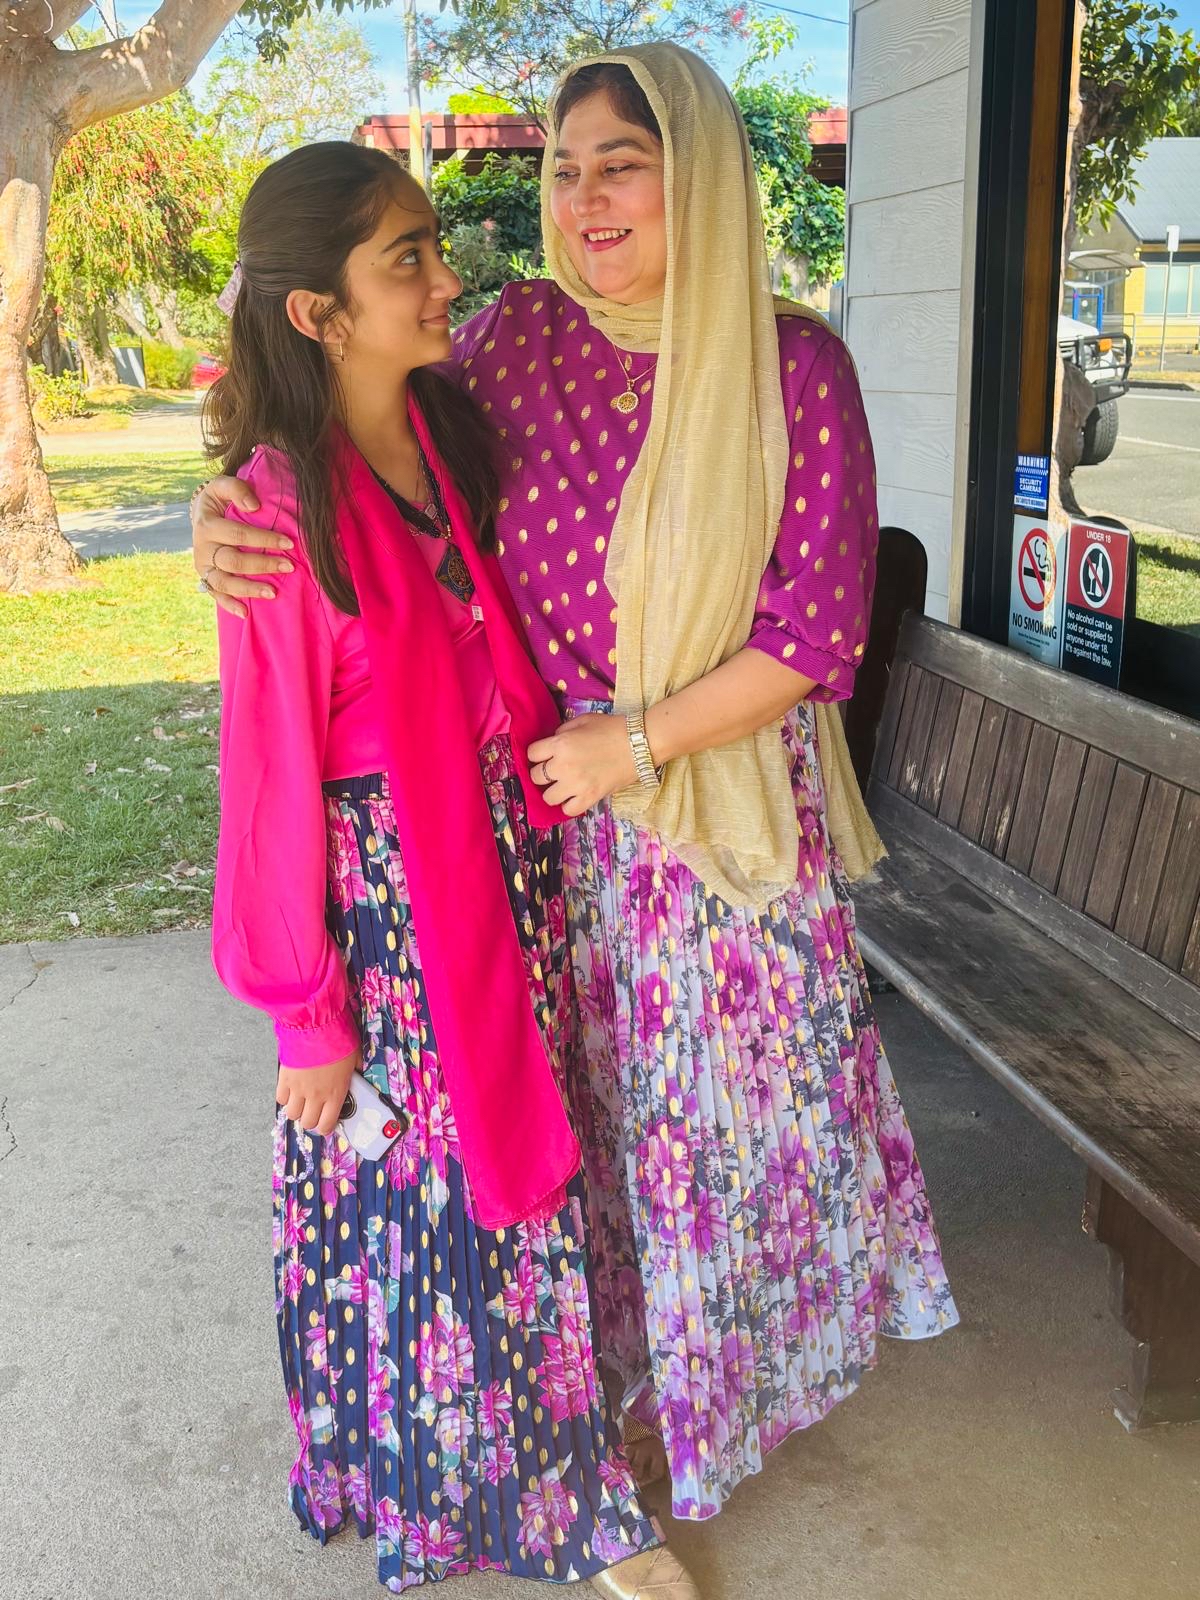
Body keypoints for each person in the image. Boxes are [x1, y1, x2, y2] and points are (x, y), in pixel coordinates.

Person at [194, 47, 958, 1528]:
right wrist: (221, 505)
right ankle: (594, 1403)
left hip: (708, 813)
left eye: (623, 160)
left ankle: (707, 1409)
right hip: (538, 830)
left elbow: (819, 633)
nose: (583, 193)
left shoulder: (792, 362)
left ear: (705, 176)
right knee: (591, 1143)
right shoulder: (510, 341)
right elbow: (348, 432)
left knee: (709, 1140)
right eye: (561, 164)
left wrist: (641, 743)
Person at [204, 138, 696, 1599]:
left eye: (435, 245)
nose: (445, 276)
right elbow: (270, 778)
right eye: (404, 258)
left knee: (520, 1190)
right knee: (425, 1211)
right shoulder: (274, 511)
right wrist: (306, 1012)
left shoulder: (450, 427)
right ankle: (499, 1493)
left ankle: (556, 1473)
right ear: (316, 312)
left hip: (504, 870)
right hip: (383, 904)